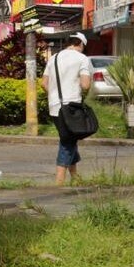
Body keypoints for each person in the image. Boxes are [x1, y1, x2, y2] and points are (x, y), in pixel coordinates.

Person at [44, 32, 93, 186]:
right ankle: (59, 183)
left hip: (54, 107)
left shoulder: (54, 58)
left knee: (69, 138)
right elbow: (85, 85)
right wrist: (79, 83)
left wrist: (56, 94)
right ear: (81, 44)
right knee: (67, 142)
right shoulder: (82, 58)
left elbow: (44, 83)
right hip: (72, 107)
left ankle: (76, 179)